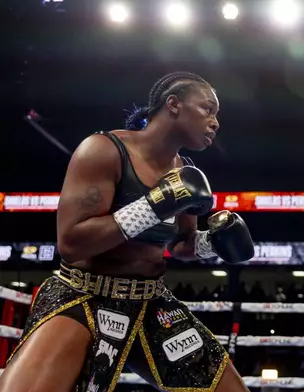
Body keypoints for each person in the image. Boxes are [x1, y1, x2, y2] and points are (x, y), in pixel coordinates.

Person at [0, 72, 255, 392]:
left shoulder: (185, 172)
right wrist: (154, 205)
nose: (215, 122)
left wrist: (211, 243)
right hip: (84, 294)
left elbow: (179, 245)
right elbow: (71, 243)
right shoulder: (103, 149)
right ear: (173, 104)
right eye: (208, 109)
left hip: (150, 301)